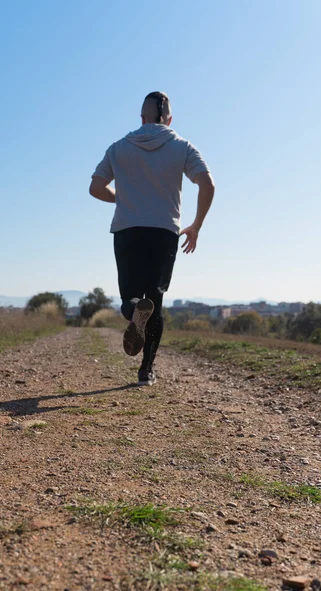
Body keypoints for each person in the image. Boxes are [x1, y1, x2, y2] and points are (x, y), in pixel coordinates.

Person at [90, 91, 215, 385]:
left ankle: (135, 311)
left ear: (142, 117)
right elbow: (207, 183)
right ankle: (146, 370)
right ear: (169, 119)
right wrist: (195, 225)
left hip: (127, 229)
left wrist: (122, 198)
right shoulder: (182, 146)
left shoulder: (119, 147)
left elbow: (96, 187)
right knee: (155, 302)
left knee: (129, 298)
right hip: (164, 232)